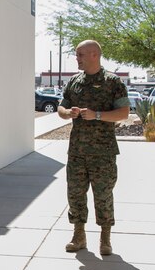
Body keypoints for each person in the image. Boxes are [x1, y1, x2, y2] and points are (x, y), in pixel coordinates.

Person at [56, 40, 130, 255]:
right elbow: (61, 106)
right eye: (77, 55)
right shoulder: (74, 82)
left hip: (103, 152)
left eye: (80, 55)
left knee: (103, 194)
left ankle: (105, 239)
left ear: (94, 55)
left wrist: (96, 115)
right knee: (75, 194)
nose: (77, 58)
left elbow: (123, 113)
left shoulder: (113, 82)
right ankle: (79, 236)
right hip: (77, 151)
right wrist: (68, 113)